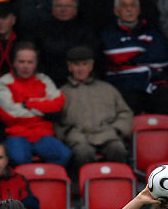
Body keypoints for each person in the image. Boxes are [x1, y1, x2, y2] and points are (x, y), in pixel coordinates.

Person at [0, 41, 71, 168]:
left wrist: (28, 103)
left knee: (64, 154)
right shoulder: (1, 83)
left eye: (30, 62)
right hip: (16, 134)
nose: (26, 66)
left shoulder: (44, 79)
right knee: (19, 158)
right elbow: (10, 115)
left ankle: (45, 180)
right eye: (21, 62)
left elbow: (57, 104)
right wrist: (43, 110)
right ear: (14, 63)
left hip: (42, 133)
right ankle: (24, 181)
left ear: (36, 63)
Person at [56, 44, 132, 174]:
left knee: (117, 149)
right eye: (76, 65)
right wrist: (66, 134)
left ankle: (118, 182)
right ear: (69, 66)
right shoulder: (61, 92)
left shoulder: (107, 89)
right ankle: (83, 185)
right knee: (83, 153)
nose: (81, 69)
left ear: (91, 66)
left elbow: (125, 113)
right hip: (78, 138)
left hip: (107, 134)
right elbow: (55, 121)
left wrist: (116, 129)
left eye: (85, 64)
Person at [100, 0, 168, 115]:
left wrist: (132, 58)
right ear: (116, 11)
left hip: (151, 83)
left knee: (167, 101)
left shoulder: (151, 29)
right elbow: (115, 55)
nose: (129, 9)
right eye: (124, 6)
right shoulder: (109, 32)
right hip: (122, 84)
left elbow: (162, 58)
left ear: (138, 10)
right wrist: (144, 46)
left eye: (132, 5)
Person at [34, 0, 96, 87]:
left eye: (68, 6)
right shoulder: (41, 30)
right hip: (49, 83)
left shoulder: (86, 31)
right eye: (59, 6)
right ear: (52, 8)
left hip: (80, 83)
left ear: (75, 10)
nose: (63, 10)